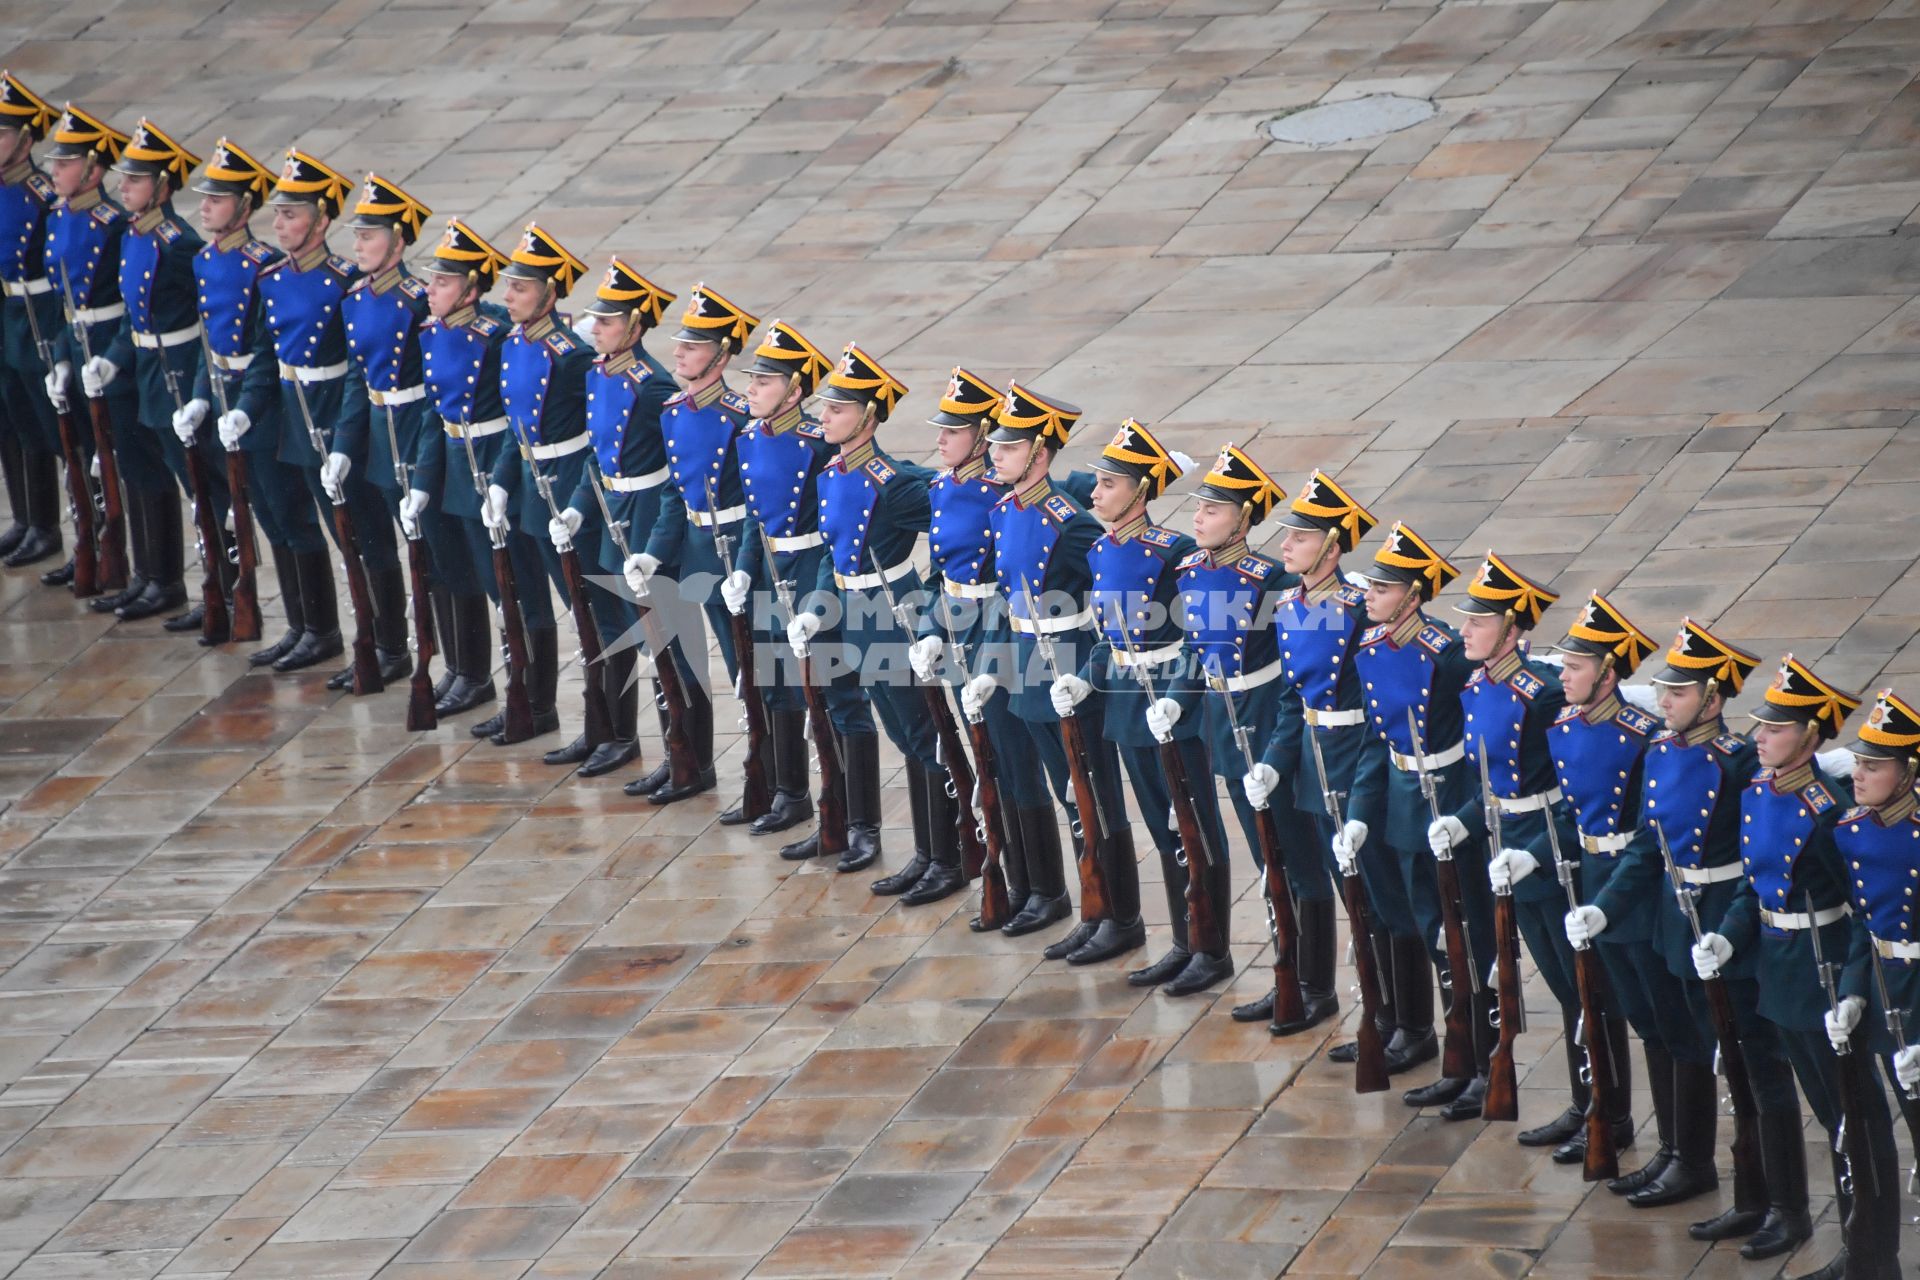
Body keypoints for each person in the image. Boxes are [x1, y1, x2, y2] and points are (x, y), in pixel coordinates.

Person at [1698, 657, 1892, 1280]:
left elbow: (1863, 912)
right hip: (1779, 969)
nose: (1760, 737)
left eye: (1776, 729)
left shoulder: (1828, 810)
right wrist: (1726, 939)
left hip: (1824, 970)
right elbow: (1754, 891)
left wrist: (1855, 989)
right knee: (1827, 1114)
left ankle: (1868, 1252)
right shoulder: (1760, 791)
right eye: (1760, 726)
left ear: (1810, 737)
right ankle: (1849, 1242)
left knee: (1852, 1121)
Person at [1613, 621, 1801, 1253]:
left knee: (1756, 1071)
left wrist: (1726, 932)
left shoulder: (1742, 762)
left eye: (1678, 693)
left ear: (1713, 700)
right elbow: (1649, 844)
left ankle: (1776, 1201)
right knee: (1687, 1041)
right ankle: (1690, 1160)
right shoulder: (1661, 753)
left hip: (1726, 923)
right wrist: (1604, 909)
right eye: (1663, 692)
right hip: (1676, 915)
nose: (1663, 703)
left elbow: (1758, 861)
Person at [1427, 551, 1628, 1137]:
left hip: (1547, 851)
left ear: (1512, 632)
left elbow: (1572, 793)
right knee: (1562, 983)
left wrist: (1535, 850)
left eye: (1479, 622)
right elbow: (1490, 781)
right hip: (1503, 842)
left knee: (1584, 987)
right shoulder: (1478, 684)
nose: (1464, 630)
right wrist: (1466, 821)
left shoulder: (1539, 696)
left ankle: (1606, 1113)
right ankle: (1582, 1105)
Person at [1556, 595, 1709, 1183]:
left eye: (1575, 666)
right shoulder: (1566, 727)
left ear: (1609, 674)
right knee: (1642, 1017)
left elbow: (1651, 831)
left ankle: (1687, 1155)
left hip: (1640, 890)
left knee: (1671, 1020)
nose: (1564, 675)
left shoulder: (1642, 735)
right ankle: (1668, 1148)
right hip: (1600, 882)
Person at [1058, 418, 1212, 971]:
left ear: (1141, 492)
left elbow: (1202, 637)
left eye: (1108, 485)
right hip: (1126, 697)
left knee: (1190, 821)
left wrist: (1176, 696)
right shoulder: (1101, 551)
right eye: (1096, 484)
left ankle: (1208, 946)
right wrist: (1088, 675)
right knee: (1156, 818)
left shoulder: (1175, 552)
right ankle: (1180, 942)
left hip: (1167, 700)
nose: (1095, 494)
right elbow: (1109, 635)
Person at [791, 342, 940, 877]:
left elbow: (958, 521)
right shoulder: (833, 474)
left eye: (837, 409)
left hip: (893, 615)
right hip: (856, 617)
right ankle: (928, 854)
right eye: (826, 407)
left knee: (923, 735)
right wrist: (815, 607)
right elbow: (837, 558)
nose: (824, 416)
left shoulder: (892, 483)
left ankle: (943, 855)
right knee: (902, 735)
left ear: (869, 417)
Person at [177, 137, 326, 667]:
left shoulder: (258, 265)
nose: (205, 207)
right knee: (265, 515)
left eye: (217, 200)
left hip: (261, 405)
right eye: (205, 199)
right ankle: (299, 622)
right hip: (225, 397)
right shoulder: (203, 259)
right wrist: (200, 398)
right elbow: (209, 340)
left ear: (243, 207)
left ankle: (320, 627)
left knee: (290, 514)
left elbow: (263, 349)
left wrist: (243, 406)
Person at [963, 382, 1104, 939]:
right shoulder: (1005, 508)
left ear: (1039, 455)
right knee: (1046, 783)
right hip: (1024, 661)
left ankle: (1107, 910)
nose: (993, 454)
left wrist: (1090, 671)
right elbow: (1006, 600)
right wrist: (990, 665)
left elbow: (1116, 599)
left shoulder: (1068, 522)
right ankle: (1054, 895)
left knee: (1083, 796)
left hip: (1065, 664)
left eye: (1007, 447)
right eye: (995, 445)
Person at [1244, 471, 1379, 1036]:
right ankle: (1314, 989)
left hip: (1349, 755)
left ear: (1330, 546)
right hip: (1307, 755)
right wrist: (1274, 760)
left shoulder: (1356, 607)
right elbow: (1289, 697)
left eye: (1298, 538)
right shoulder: (1292, 605)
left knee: (1367, 896)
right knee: (1307, 871)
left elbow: (1376, 703)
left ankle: (1391, 1014)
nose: (1284, 546)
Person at [1343, 523, 1473, 1082]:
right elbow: (1379, 740)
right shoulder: (1371, 647)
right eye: (1370, 586)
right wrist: (1358, 813)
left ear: (1414, 597)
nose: (1368, 596)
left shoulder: (1445, 655)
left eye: (1382, 589)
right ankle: (1417, 1032)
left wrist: (1462, 816)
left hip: (1445, 796)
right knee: (1409, 914)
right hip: (1399, 795)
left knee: (1452, 928)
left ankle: (1466, 1051)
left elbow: (1479, 738)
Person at [1163, 445, 1293, 1001]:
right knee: (1257, 847)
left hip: (1262, 720)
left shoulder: (1272, 579)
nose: (1198, 518)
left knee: (1283, 856)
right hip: (1222, 721)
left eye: (1213, 510)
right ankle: (1283, 966)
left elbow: (1292, 665)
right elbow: (1196, 650)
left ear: (1243, 520)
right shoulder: (1190, 571)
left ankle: (1299, 971)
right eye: (1199, 507)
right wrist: (1176, 698)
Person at [907, 367, 1035, 927]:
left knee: (1009, 758)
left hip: (993, 625)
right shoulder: (942, 487)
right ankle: (1005, 874)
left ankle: (1040, 887)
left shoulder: (997, 496)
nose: (939, 439)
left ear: (981, 438)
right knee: (981, 758)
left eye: (952, 432)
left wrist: (991, 652)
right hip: (957, 624)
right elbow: (939, 572)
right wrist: (933, 626)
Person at [339, 174, 474, 703]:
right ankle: (409, 652)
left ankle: (466, 669)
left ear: (397, 242)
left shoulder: (418, 303)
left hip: (419, 439)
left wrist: (421, 466)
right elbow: (359, 379)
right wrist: (345, 448)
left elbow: (435, 393)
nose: (358, 247)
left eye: (369, 237)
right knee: (380, 546)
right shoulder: (356, 298)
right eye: (357, 236)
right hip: (380, 435)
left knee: (441, 560)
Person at [550, 257, 678, 778]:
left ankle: (681, 755)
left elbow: (677, 468)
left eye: (606, 321)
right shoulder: (601, 374)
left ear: (636, 327)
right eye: (595, 320)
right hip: (610, 512)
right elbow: (595, 456)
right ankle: (614, 733)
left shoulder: (653, 386)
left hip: (645, 515)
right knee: (608, 626)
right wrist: (579, 508)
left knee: (660, 641)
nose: (594, 329)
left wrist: (658, 539)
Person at [631, 283, 757, 802]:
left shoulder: (739, 417)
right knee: (680, 662)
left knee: (746, 670)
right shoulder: (674, 411)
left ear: (722, 356)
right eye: (680, 343)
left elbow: (758, 505)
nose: (678, 352)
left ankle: (767, 778)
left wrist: (746, 566)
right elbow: (673, 492)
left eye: (693, 346)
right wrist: (655, 551)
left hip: (733, 551)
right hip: (691, 551)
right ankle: (690, 761)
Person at [485, 221, 593, 744]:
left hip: (565, 479)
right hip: (532, 484)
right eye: (508, 286)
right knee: (532, 600)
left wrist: (575, 503)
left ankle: (606, 728)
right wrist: (503, 483)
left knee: (587, 611)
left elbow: (595, 444)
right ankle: (539, 707)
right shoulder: (513, 343)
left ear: (549, 295)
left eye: (520, 288)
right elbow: (517, 427)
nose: (508, 296)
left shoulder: (571, 356)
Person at [727, 319, 837, 831]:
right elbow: (756, 517)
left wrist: (818, 596)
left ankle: (838, 804)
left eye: (763, 381)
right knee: (774, 687)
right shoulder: (749, 438)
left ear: (795, 391)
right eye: (752, 379)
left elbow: (837, 527)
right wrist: (745, 573)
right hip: (771, 571)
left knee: (822, 692)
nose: (750, 389)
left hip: (810, 567)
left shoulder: (818, 445)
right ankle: (790, 794)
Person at [95, 118, 204, 623]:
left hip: (174, 370)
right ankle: (153, 576)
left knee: (197, 486)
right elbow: (131, 311)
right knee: (141, 470)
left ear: (161, 187)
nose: (124, 187)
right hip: (142, 367)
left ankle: (213, 591)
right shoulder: (133, 235)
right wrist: (113, 359)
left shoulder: (177, 243)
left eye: (135, 180)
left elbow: (213, 319)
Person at [1834, 685, 1920, 1275]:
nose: (1859, 775)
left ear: (1909, 772)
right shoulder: (1854, 830)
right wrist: (1851, 991)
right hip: (1887, 990)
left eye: (1873, 765)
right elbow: (1865, 927)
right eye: (1858, 763)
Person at [416, 217, 513, 720]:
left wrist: (498, 481)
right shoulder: (431, 331)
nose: (430, 290)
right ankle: (465, 670)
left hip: (487, 460)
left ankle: (517, 689)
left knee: (500, 583)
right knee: (452, 571)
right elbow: (438, 414)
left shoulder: (494, 336)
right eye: (432, 280)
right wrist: (420, 483)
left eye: (444, 281)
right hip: (452, 461)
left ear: (472, 288)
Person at [41, 103, 131, 594]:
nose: (54, 170)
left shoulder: (111, 224)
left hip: (104, 348)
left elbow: (128, 305)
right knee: (75, 456)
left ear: (94, 170)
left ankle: (125, 559)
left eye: (66, 163)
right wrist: (58, 357)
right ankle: (89, 548)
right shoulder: (57, 216)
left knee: (116, 462)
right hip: (75, 348)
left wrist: (111, 358)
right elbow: (62, 304)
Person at [0, 73, 66, 570]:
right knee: (10, 420)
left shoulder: (42, 196)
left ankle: (49, 525)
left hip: (33, 314)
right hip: (5, 311)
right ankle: (25, 517)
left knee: (44, 422)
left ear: (25, 140)